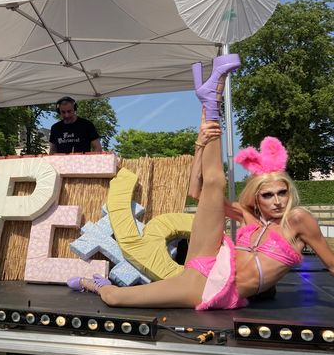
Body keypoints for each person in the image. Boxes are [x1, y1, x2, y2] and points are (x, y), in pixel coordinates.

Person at [67, 54, 334, 309]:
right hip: (208, 259)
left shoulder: (297, 220)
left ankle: (94, 285)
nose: (277, 201)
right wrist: (200, 144)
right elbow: (197, 192)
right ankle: (211, 102)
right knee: (214, 184)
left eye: (282, 193)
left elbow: (331, 264)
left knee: (115, 297)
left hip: (210, 289)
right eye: (268, 195)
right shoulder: (250, 219)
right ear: (256, 199)